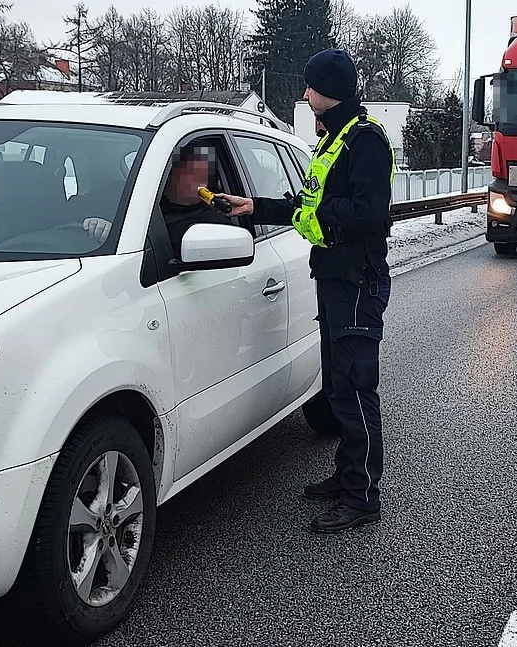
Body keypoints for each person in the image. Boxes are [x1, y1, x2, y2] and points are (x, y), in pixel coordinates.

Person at [215, 48, 395, 534]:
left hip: (357, 279)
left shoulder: (365, 141)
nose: (304, 94)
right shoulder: (334, 138)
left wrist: (315, 215)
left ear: (328, 89)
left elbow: (369, 213)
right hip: (334, 276)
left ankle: (362, 496)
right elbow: (307, 202)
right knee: (337, 384)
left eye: (310, 86)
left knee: (356, 388)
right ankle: (347, 475)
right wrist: (253, 206)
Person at [84, 145, 228, 249]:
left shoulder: (215, 223)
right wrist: (101, 228)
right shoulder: (134, 201)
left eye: (204, 175)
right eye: (191, 173)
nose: (200, 181)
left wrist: (117, 236)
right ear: (169, 175)